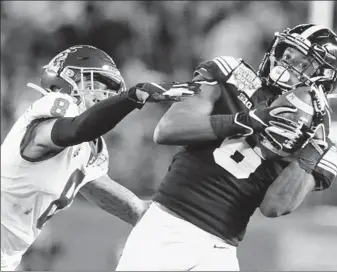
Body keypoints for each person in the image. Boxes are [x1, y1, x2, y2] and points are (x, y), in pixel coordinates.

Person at [115, 24, 337, 271]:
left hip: (221, 249)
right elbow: (168, 129)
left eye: (303, 63)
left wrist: (310, 152)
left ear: (323, 79)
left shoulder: (321, 148)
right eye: (287, 54)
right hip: (170, 224)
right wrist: (248, 121)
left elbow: (274, 207)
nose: (285, 64)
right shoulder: (233, 74)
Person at [1, 45, 200, 271]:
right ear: (68, 79)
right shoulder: (53, 107)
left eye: (110, 89)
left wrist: (188, 230)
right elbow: (76, 129)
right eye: (98, 84)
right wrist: (133, 97)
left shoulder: (87, 149)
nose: (105, 94)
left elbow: (131, 207)